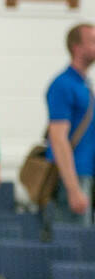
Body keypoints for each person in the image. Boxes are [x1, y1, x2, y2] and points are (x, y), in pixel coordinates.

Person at [45, 23, 95, 225]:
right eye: (92, 41)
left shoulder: (84, 85)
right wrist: (73, 189)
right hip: (72, 178)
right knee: (73, 245)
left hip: (85, 174)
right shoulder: (63, 84)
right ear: (76, 47)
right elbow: (58, 138)